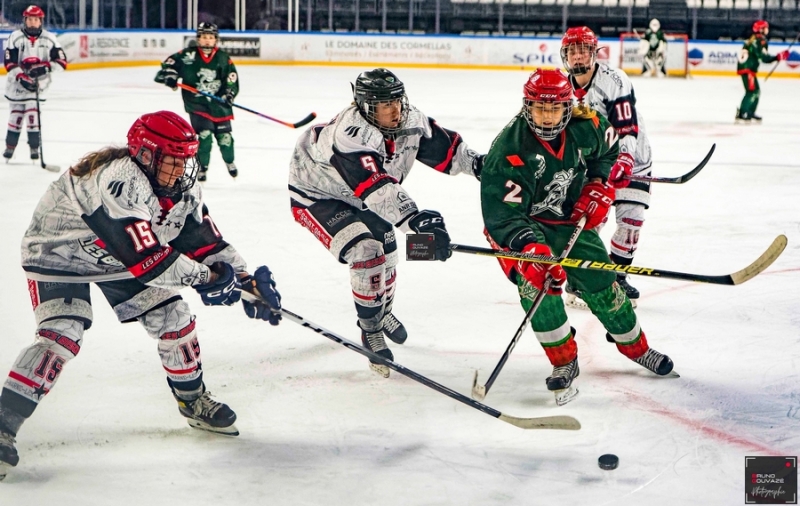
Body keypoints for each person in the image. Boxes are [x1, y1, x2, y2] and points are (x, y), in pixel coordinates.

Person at [0, 111, 282, 480]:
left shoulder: (180, 187)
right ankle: (4, 423)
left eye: (186, 160)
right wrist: (208, 278)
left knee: (174, 319)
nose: (181, 170)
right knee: (62, 335)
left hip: (119, 258)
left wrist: (245, 279)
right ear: (146, 155)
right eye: (172, 161)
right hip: (59, 255)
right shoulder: (118, 182)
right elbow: (150, 263)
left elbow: (203, 241)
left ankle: (192, 399)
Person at [480, 68, 674, 405]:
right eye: (540, 108)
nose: (547, 116)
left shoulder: (589, 125)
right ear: (527, 107)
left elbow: (608, 153)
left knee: (603, 281)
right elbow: (502, 215)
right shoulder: (508, 149)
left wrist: (600, 185)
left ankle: (636, 347)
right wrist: (531, 251)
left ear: (568, 106)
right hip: (520, 230)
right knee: (538, 288)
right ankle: (564, 362)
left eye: (555, 108)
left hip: (568, 222)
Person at [288, 68, 483, 378]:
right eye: (384, 104)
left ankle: (382, 312)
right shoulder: (350, 135)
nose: (395, 110)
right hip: (319, 196)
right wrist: (417, 221)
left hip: (363, 195)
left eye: (397, 101)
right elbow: (377, 189)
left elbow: (448, 150)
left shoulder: (409, 119)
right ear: (366, 108)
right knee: (367, 253)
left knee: (390, 251)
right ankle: (369, 330)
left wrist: (478, 164)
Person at [560, 26, 651, 308]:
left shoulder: (614, 80)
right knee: (589, 219)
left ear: (593, 53)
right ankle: (582, 277)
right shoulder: (562, 90)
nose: (577, 57)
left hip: (633, 157)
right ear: (565, 56)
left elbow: (627, 126)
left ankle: (619, 277)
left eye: (583, 50)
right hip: (595, 163)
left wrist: (625, 158)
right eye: (572, 51)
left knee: (631, 220)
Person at [155, 22, 239, 181]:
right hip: (197, 105)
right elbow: (168, 65)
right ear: (198, 39)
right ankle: (202, 167)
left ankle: (230, 161)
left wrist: (229, 94)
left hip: (219, 105)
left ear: (216, 39)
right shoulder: (188, 56)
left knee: (225, 139)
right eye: (204, 37)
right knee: (205, 136)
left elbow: (231, 80)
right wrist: (170, 76)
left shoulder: (223, 58)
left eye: (211, 37)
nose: (207, 40)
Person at [3, 4, 67, 162]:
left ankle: (34, 148)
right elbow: (9, 61)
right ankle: (10, 147)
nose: (33, 22)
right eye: (30, 19)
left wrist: (45, 68)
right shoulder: (15, 37)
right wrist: (21, 76)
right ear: (25, 20)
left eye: (36, 19)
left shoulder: (49, 38)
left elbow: (62, 62)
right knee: (15, 117)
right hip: (17, 84)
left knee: (33, 116)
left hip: (40, 85)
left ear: (41, 21)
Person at [736, 20, 789, 124]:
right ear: (760, 30)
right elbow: (763, 57)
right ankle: (744, 113)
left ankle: (749, 112)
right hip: (748, 69)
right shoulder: (759, 40)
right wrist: (778, 57)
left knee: (755, 91)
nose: (767, 30)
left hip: (747, 69)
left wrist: (777, 57)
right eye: (765, 28)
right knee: (752, 92)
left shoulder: (752, 39)